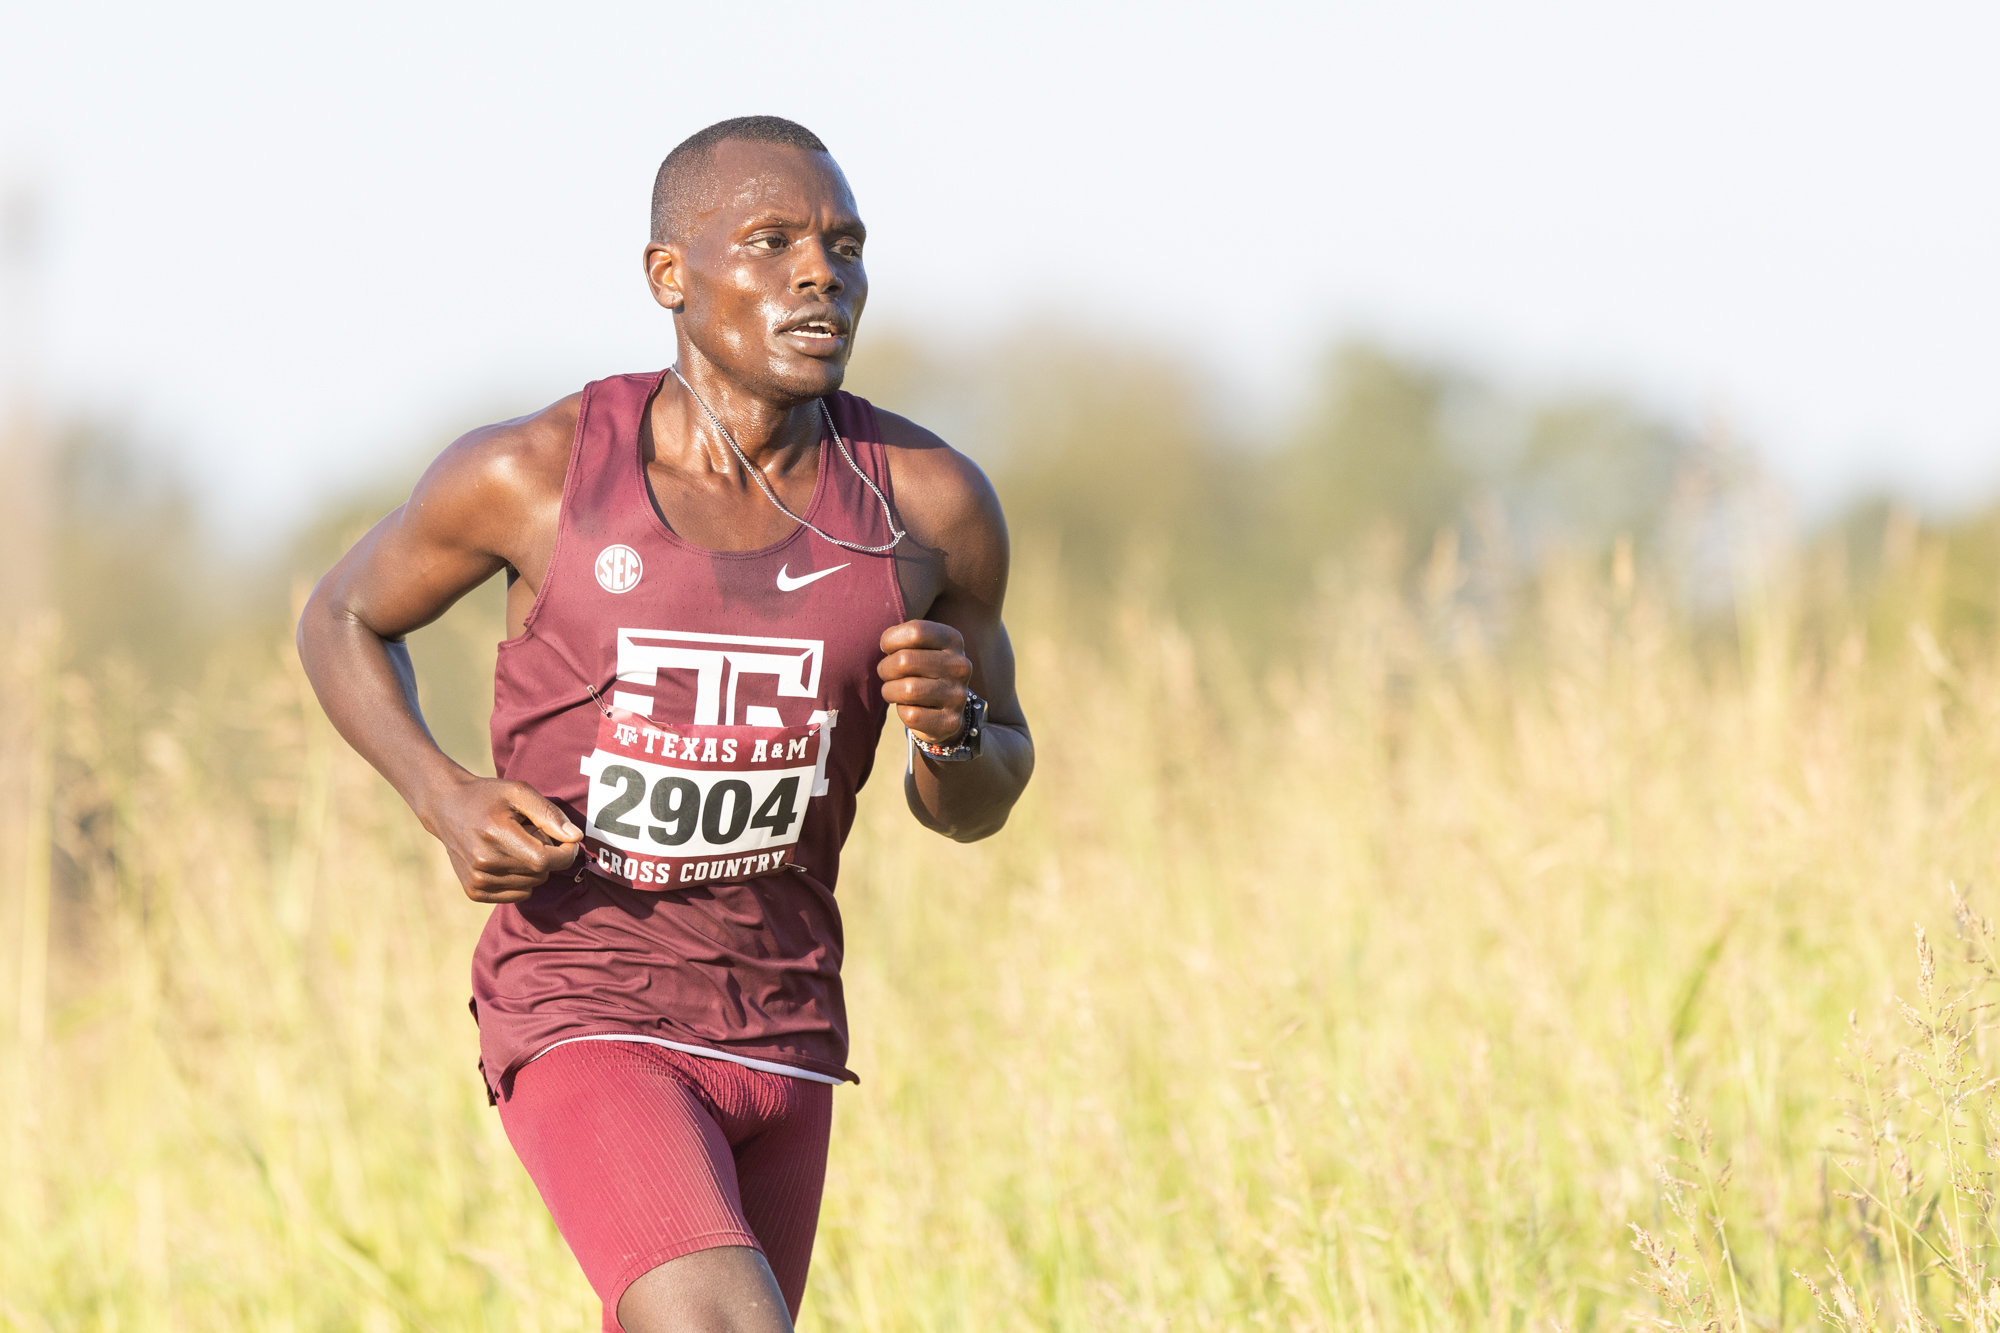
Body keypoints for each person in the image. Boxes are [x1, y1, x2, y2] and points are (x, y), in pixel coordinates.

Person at [297, 115, 1033, 1333]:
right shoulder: (534, 473)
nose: (821, 273)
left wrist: (951, 735)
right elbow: (341, 617)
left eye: (845, 247)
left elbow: (980, 792)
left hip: (785, 1022)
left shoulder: (929, 505)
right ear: (668, 276)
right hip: (582, 998)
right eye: (772, 239)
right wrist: (442, 795)